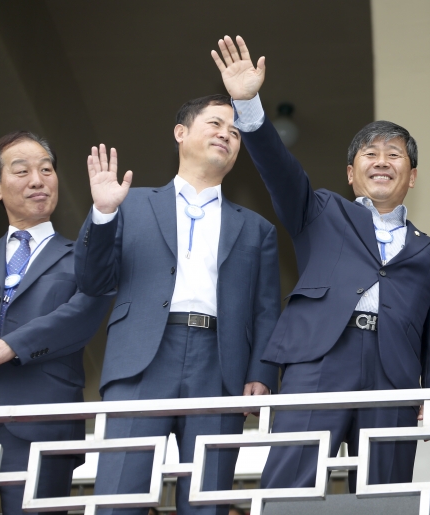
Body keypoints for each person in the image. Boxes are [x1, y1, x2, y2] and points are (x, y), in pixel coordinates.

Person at [211, 36, 430, 491]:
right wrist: (248, 105)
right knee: (291, 487)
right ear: (350, 173)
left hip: (394, 378)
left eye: (394, 155)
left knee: (384, 495)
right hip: (318, 360)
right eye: (370, 154)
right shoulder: (321, 211)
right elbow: (279, 169)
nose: (381, 162)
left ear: (412, 176)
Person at [74, 94, 281, 515]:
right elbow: (92, 281)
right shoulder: (129, 204)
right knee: (120, 497)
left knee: (207, 501)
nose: (227, 134)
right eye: (215, 123)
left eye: (235, 131)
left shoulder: (257, 228)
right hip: (141, 361)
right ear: (181, 132)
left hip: (220, 365)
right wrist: (102, 213)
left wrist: (261, 372)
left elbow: (266, 309)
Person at [0, 131, 111, 514]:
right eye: (22, 171)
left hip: (44, 420)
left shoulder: (81, 259)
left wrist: (13, 345)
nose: (37, 180)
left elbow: (85, 312)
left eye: (46, 170)